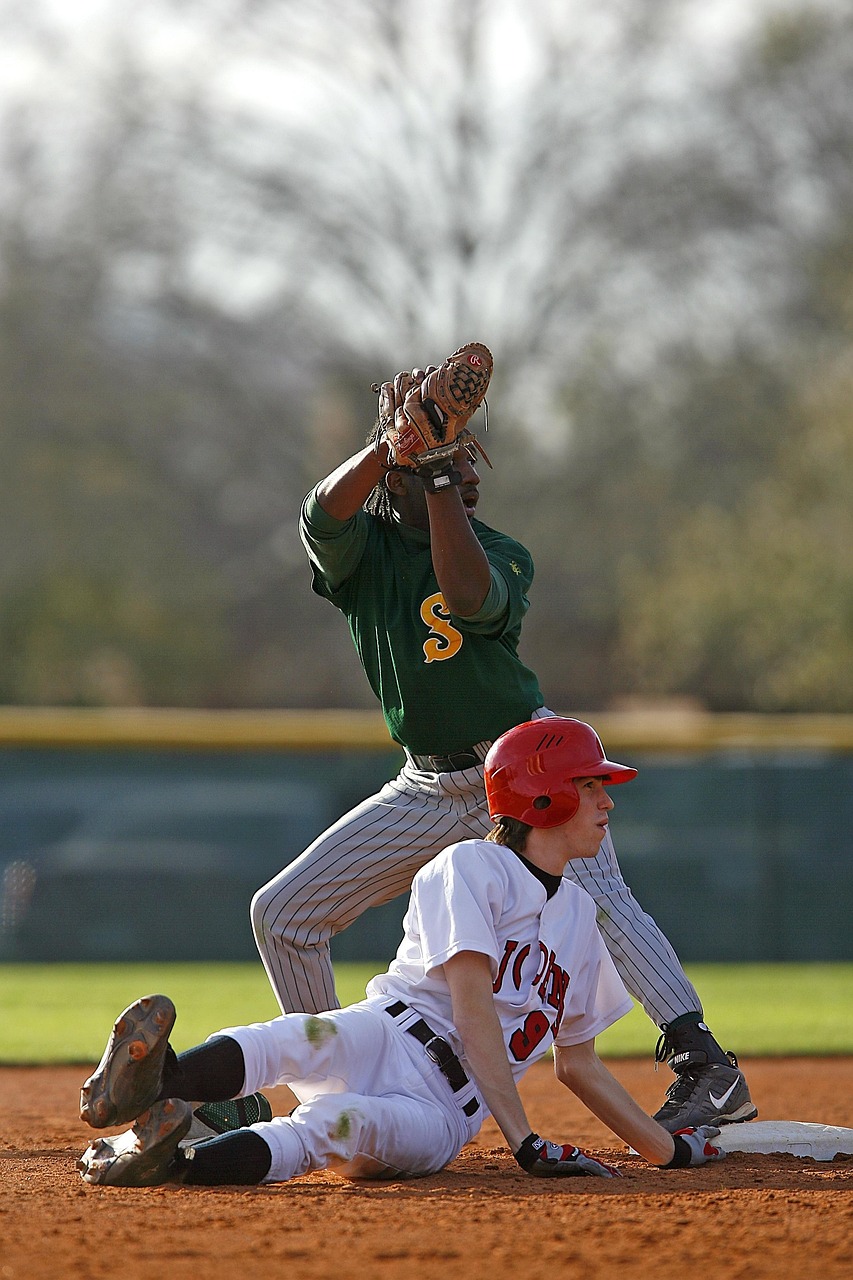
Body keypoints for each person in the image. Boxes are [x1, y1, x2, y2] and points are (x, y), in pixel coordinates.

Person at [250, 361, 757, 1134]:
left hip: (521, 758)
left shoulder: (502, 553)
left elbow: (465, 597)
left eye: (460, 462)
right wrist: (396, 446)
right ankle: (340, 1093)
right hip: (425, 783)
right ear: (394, 476)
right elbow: (320, 513)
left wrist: (435, 475)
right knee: (284, 913)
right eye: (444, 461)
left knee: (600, 897)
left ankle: (705, 1065)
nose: (460, 473)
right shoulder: (366, 553)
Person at [77, 718, 725, 1188]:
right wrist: (523, 1141)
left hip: (440, 1109)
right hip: (384, 1034)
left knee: (337, 1124)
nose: (607, 801)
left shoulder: (581, 918)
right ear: (544, 795)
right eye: (589, 786)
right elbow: (472, 1009)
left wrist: (666, 1150)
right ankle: (149, 1086)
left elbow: (577, 1065)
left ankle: (174, 1166)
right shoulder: (471, 867)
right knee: (295, 1038)